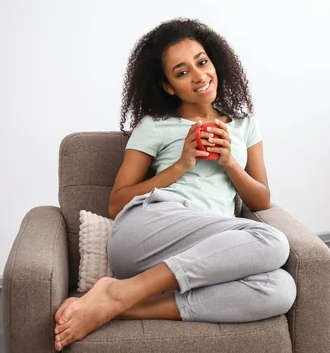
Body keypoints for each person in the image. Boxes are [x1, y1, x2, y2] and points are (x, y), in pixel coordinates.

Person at [52, 18, 297, 351]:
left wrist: (229, 162)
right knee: (274, 241)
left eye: (202, 62)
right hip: (148, 230)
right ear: (168, 87)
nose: (199, 76)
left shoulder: (244, 125)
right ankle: (122, 291)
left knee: (280, 289)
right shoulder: (155, 126)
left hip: (210, 244)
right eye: (182, 72)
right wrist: (181, 165)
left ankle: (123, 303)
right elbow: (116, 203)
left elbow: (262, 200)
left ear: (215, 62)